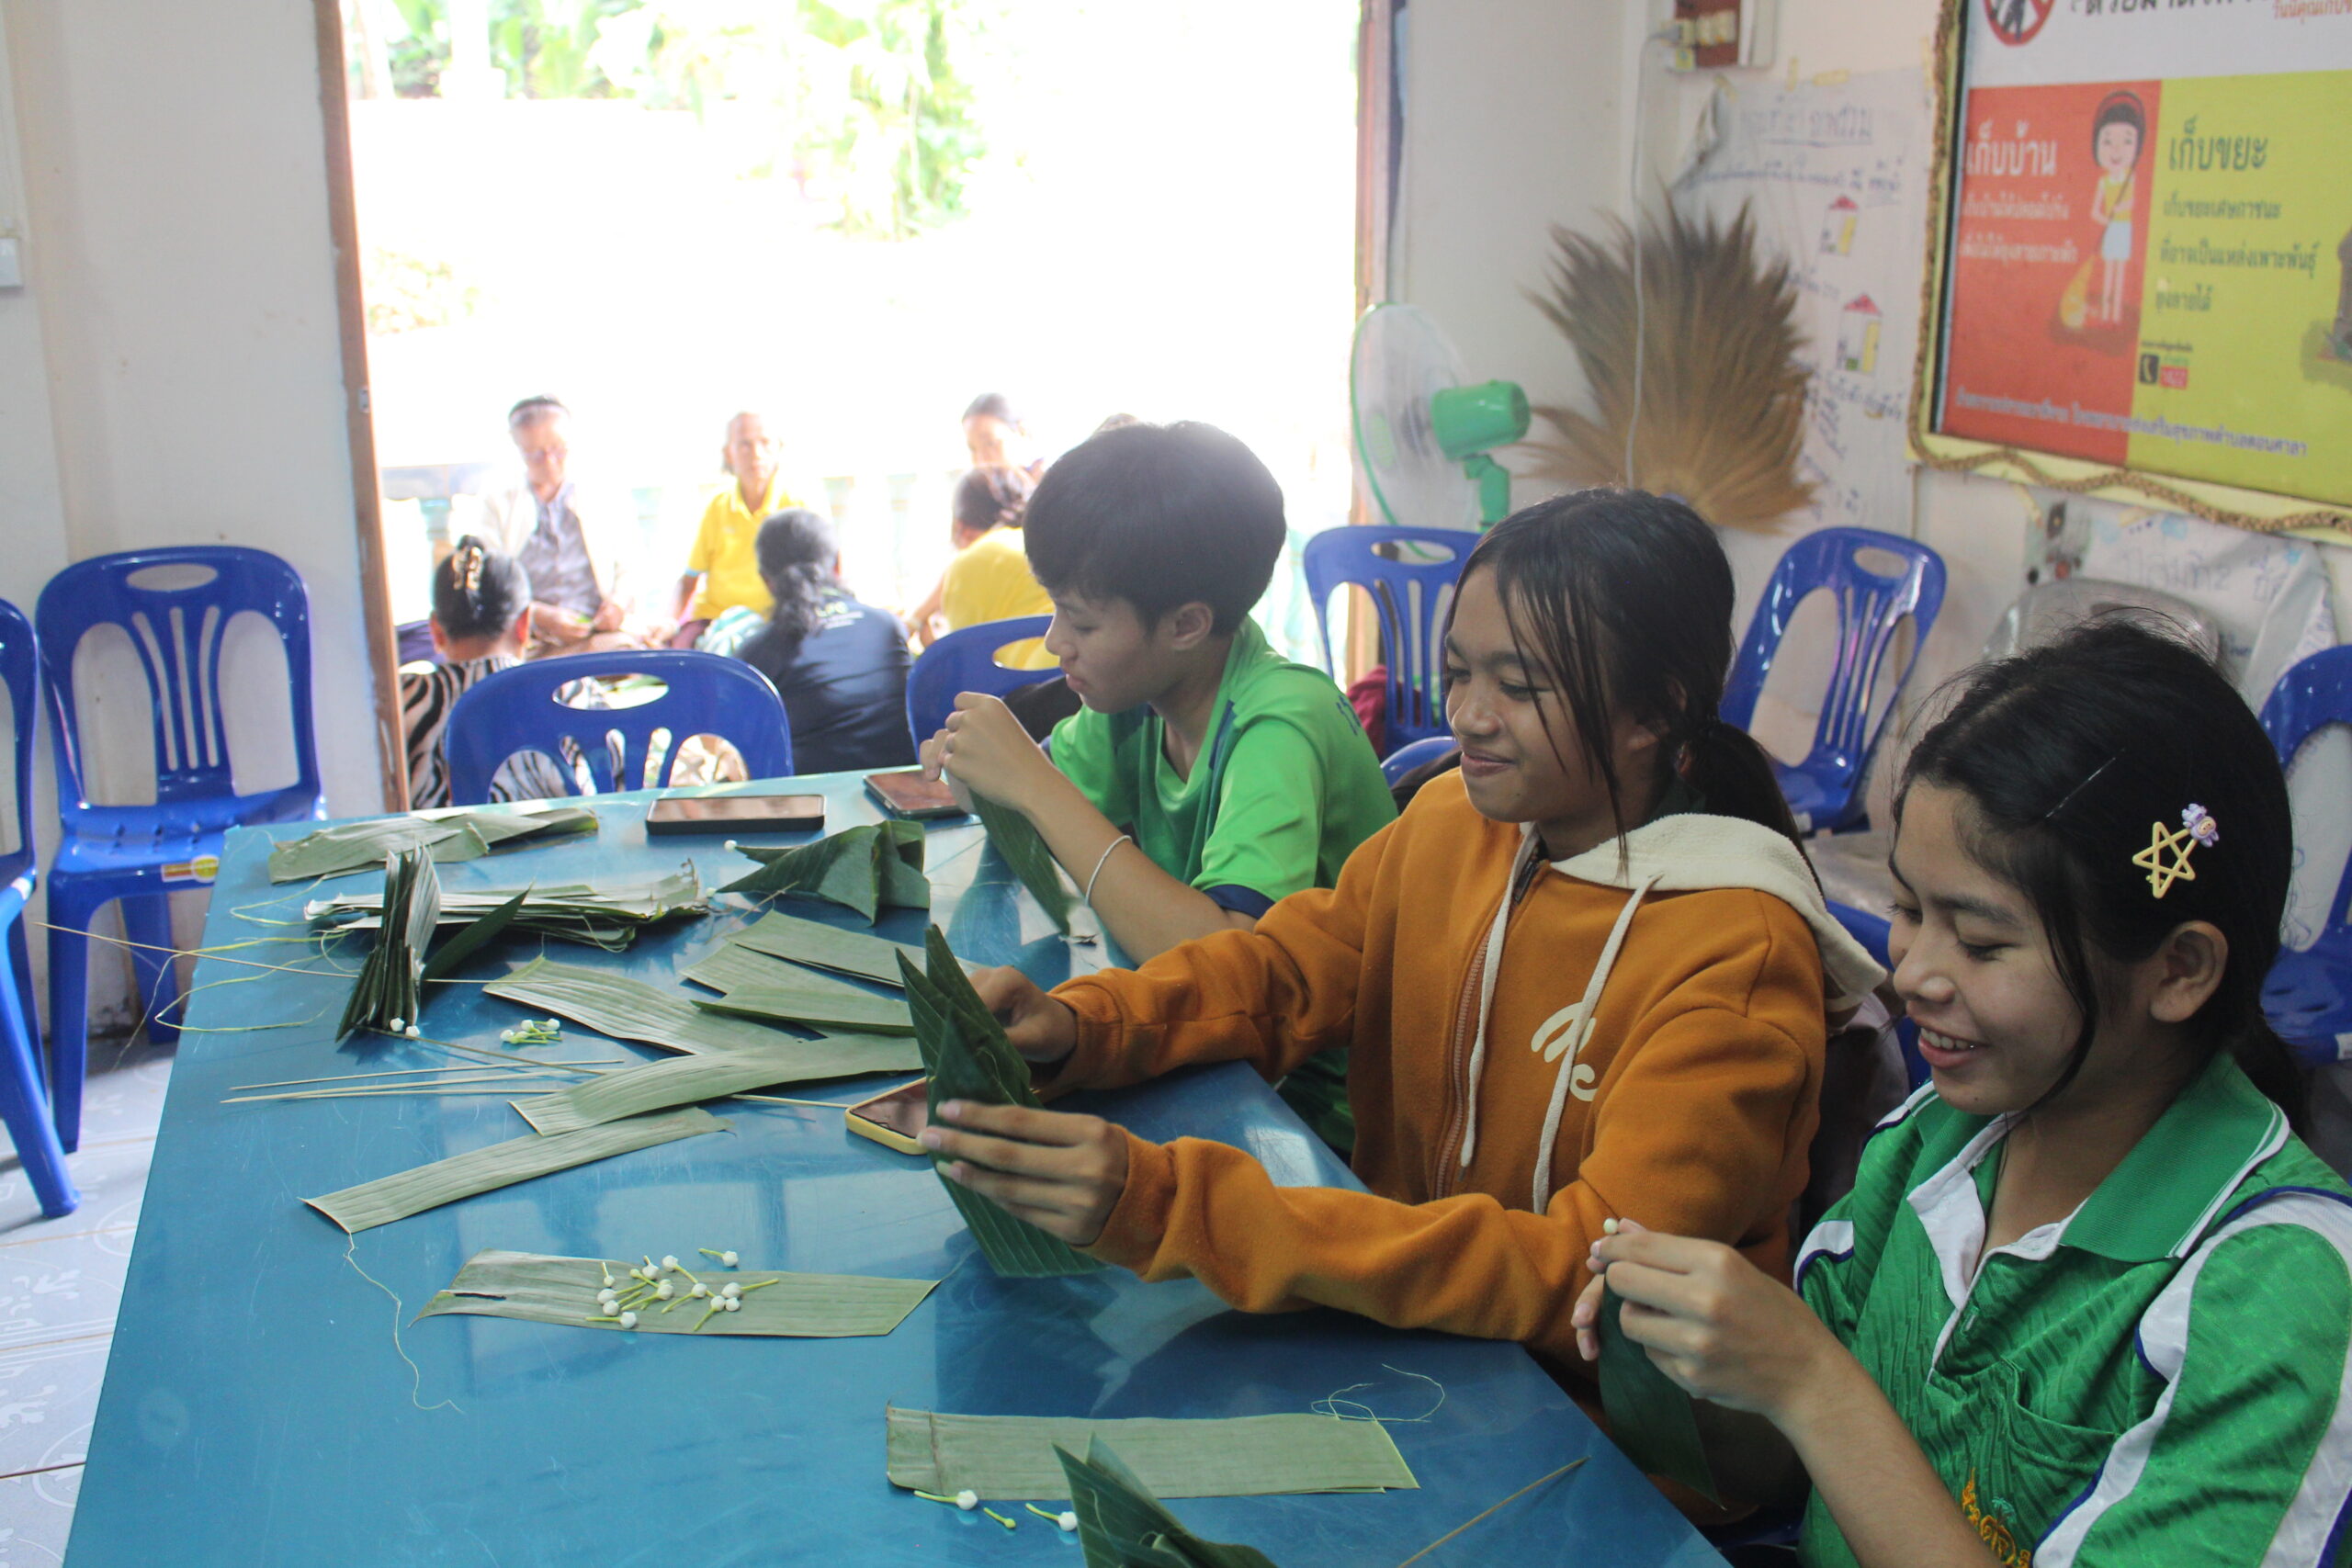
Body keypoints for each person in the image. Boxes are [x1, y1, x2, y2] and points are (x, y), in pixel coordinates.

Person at [916, 491, 1885, 1416]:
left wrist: (1177, 1206)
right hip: (1413, 1342)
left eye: (1520, 687)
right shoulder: (1452, 819)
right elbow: (1283, 974)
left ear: (1652, 713)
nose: (1468, 715)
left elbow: (1593, 1279)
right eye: (1458, 672)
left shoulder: (1734, 955)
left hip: (1603, 1432)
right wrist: (1080, 1024)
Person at [1577, 619, 2352, 1564]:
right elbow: (1793, 1474)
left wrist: (1809, 1380)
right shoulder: (1932, 1142)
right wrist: (1692, 1361)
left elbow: (1825, 1410)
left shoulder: (2278, 1294)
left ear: (2179, 969)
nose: (1910, 975)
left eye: (1981, 943)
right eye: (1908, 909)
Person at [919, 421, 1401, 1148]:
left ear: (1186, 624)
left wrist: (1033, 785)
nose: (1055, 642)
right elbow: (1007, 796)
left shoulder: (1281, 723)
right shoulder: (1137, 696)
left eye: (1081, 621)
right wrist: (976, 763)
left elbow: (1224, 962)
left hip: (1326, 1119)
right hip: (1216, 1068)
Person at [733, 508, 917, 775]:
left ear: (766, 580)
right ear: (838, 564)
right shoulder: (887, 625)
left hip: (815, 796)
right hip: (903, 791)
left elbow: (749, 749)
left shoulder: (757, 652)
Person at [398, 537, 569, 807]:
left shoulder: (401, 701)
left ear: (435, 630)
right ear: (524, 624)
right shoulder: (570, 691)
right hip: (572, 835)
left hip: (448, 836)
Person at [466, 395, 639, 655]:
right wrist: (539, 614)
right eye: (536, 454)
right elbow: (489, 581)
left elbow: (631, 566)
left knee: (624, 654)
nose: (549, 461)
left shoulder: (602, 491)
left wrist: (617, 604)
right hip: (524, 640)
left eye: (558, 449)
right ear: (518, 449)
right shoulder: (497, 500)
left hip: (595, 635)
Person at [671, 411, 801, 644]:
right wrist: (668, 623)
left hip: (776, 623)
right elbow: (689, 580)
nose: (756, 454)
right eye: (744, 445)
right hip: (715, 621)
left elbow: (828, 573)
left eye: (765, 442)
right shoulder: (717, 506)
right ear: (728, 453)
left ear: (779, 448)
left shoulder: (798, 506)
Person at [962, 391, 1041, 478]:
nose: (981, 462)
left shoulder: (1049, 481)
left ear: (1022, 433)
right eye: (972, 449)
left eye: (990, 443)